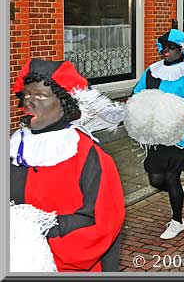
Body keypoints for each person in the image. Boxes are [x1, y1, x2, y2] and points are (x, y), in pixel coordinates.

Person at [10, 59, 125, 271]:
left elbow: (102, 222)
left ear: (65, 102)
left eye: (41, 96)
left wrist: (39, 230)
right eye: (26, 95)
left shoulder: (86, 153)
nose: (29, 103)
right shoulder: (12, 147)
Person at [132, 29, 184, 239]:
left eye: (171, 48)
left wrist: (176, 118)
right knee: (156, 180)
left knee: (172, 178)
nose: (166, 51)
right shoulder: (152, 70)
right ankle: (179, 194)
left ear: (181, 51)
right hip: (154, 135)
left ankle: (177, 220)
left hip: (180, 136)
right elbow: (138, 93)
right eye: (164, 47)